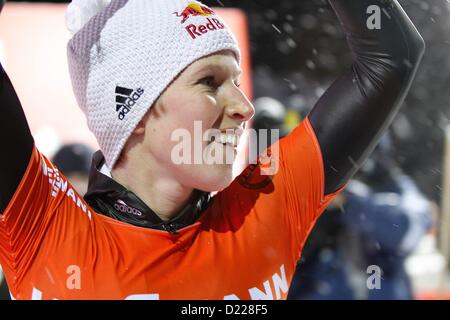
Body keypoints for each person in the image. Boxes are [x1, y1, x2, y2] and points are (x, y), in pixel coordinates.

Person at [0, 0, 425, 299]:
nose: (244, 107)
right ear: (136, 110)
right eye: (209, 82)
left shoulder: (264, 210)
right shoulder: (43, 225)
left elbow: (393, 56)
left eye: (237, 81)